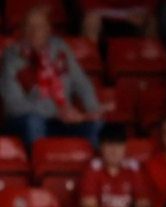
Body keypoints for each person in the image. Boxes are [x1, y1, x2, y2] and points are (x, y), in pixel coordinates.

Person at [0, 7, 101, 147]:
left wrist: (92, 110)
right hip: (27, 121)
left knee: (97, 125)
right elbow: (13, 105)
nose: (34, 32)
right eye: (29, 27)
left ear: (49, 30)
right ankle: (41, 165)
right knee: (34, 123)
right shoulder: (11, 57)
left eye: (40, 27)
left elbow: (82, 83)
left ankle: (90, 168)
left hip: (64, 120)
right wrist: (56, 111)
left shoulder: (60, 48)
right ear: (22, 30)